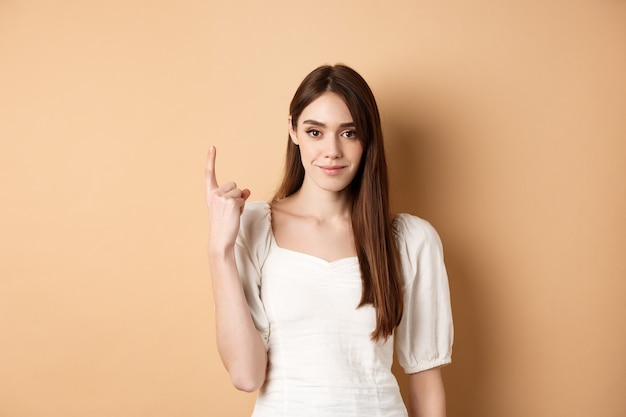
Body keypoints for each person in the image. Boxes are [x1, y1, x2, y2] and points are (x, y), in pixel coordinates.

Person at [205, 64, 453, 417]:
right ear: (293, 131)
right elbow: (246, 375)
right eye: (315, 131)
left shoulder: (410, 241)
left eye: (349, 133)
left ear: (368, 139)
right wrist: (219, 250)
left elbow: (427, 387)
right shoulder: (255, 227)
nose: (332, 150)